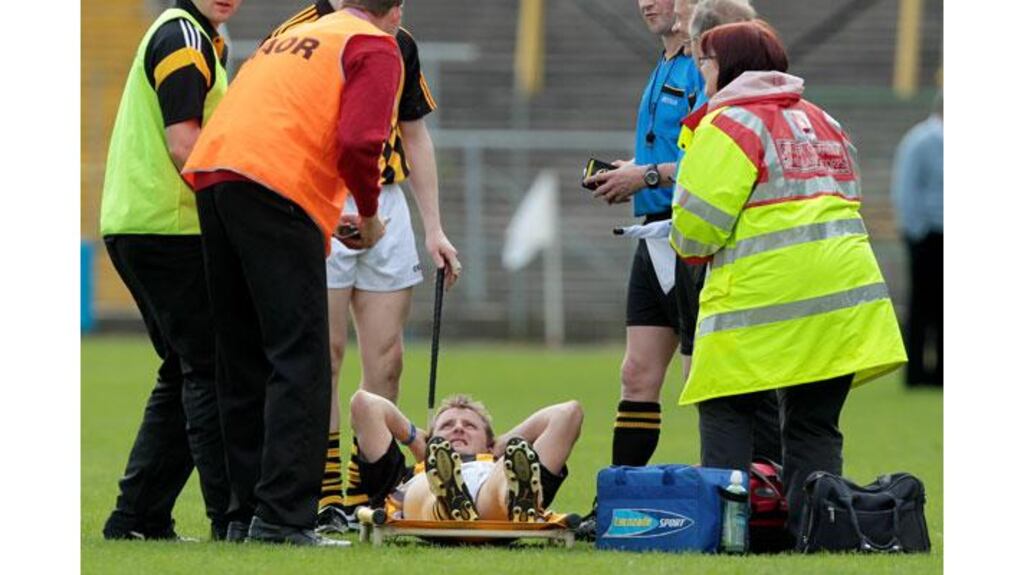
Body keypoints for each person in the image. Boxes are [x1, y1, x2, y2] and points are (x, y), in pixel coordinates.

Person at [669, 21, 907, 539]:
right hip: (845, 301)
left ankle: (726, 535)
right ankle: (815, 534)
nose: (699, 72)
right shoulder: (825, 120)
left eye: (704, 63)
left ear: (728, 67)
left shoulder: (729, 123)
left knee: (726, 411)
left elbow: (695, 230)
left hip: (762, 300)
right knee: (814, 426)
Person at [181, 0, 406, 546]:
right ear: (397, 11)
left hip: (217, 176)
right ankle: (283, 517)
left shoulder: (301, 32)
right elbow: (359, 142)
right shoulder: (376, 45)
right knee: (300, 357)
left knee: (241, 356)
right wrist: (372, 219)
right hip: (274, 186)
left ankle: (242, 513)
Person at [260, 0, 461, 534]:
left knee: (387, 359)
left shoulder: (401, 41)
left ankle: (368, 489)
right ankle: (322, 494)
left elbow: (414, 135)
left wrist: (434, 228)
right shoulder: (301, 32)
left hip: (385, 203)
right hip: (319, 194)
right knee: (321, 354)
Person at [98, 0, 242, 541]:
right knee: (209, 368)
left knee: (185, 368)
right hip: (168, 227)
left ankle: (136, 517)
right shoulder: (184, 35)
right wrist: (239, 217)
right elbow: (185, 144)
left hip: (145, 222)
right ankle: (230, 518)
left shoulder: (198, 35)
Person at [581, 0, 703, 474]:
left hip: (693, 238)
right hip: (653, 235)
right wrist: (630, 173)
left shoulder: (704, 66)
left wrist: (646, 176)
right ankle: (617, 498)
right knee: (636, 374)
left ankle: (736, 500)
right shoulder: (666, 61)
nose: (646, 3)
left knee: (702, 380)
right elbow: (672, 155)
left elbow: (714, 160)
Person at [346, 391, 582, 523]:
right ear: (431, 441)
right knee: (424, 484)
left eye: (470, 425)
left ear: (489, 444)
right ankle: (445, 498)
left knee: (505, 472)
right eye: (447, 425)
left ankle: (517, 497)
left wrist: (503, 444)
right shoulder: (406, 473)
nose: (458, 428)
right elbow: (363, 404)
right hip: (423, 493)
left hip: (492, 493)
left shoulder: (499, 461)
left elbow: (569, 414)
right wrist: (414, 437)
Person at [891, 93, 943, 388]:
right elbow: (906, 189)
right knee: (922, 304)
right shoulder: (921, 140)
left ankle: (941, 373)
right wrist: (916, 231)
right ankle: (917, 374)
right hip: (928, 235)